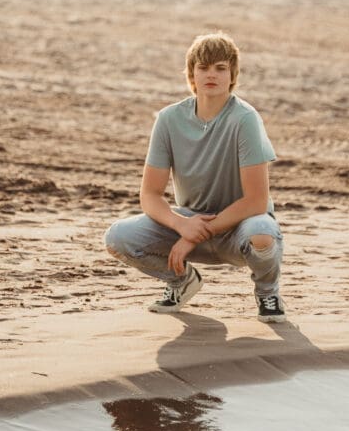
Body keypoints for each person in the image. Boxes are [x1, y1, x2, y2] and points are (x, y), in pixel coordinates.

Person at [104, 32, 285, 323]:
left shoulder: (245, 119)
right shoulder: (169, 119)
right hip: (190, 221)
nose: (211, 74)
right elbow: (150, 195)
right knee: (117, 237)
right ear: (192, 74)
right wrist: (182, 225)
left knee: (262, 234)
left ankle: (267, 292)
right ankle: (182, 280)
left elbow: (256, 201)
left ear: (232, 75)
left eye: (220, 68)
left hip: (240, 226)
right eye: (203, 67)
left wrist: (196, 233)